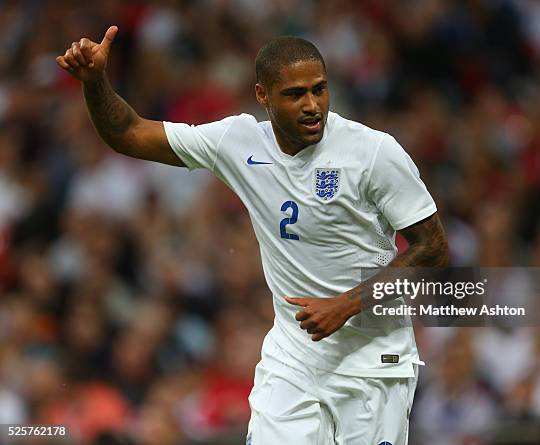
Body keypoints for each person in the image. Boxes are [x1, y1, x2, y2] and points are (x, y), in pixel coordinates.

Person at [57, 25, 449, 445]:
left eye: (320, 89)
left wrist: (347, 304)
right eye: (295, 94)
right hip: (295, 357)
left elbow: (434, 248)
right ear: (263, 96)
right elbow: (128, 133)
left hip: (374, 360)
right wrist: (95, 82)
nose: (313, 105)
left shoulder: (373, 152)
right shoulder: (239, 141)